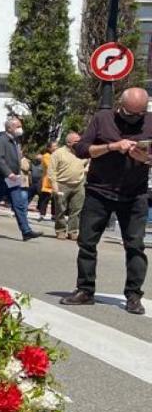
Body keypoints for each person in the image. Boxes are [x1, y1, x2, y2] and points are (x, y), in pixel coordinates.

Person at [60, 88, 152, 314]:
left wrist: (143, 157)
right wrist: (111, 146)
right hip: (99, 192)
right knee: (87, 243)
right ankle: (85, 290)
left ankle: (133, 296)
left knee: (135, 246)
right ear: (120, 106)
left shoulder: (150, 122)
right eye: (130, 114)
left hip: (135, 195)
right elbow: (81, 149)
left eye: (139, 114)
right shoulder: (103, 118)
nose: (135, 118)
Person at [0, 116, 39, 241]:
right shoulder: (1, 141)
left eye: (20, 126)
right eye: (17, 126)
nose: (20, 129)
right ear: (9, 128)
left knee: (18, 205)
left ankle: (26, 231)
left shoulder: (16, 141)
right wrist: (8, 173)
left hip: (13, 179)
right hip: (1, 179)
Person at [49, 131, 87, 241]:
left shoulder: (82, 152)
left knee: (76, 210)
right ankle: (60, 230)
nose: (79, 143)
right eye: (76, 142)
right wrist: (54, 187)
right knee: (60, 209)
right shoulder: (58, 153)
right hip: (62, 185)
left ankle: (73, 231)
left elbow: (90, 160)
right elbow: (52, 171)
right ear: (68, 142)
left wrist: (86, 168)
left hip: (78, 185)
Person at [35, 144, 55, 221]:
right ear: (49, 148)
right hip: (47, 180)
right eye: (54, 147)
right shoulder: (46, 156)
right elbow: (50, 166)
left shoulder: (56, 156)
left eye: (57, 146)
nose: (56, 148)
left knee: (55, 199)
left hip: (56, 180)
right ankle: (42, 214)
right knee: (45, 198)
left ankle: (54, 215)